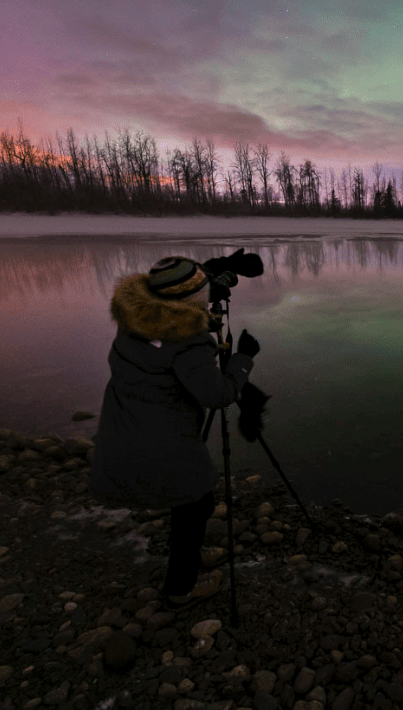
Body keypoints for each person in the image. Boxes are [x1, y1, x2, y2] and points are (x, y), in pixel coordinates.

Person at [89, 256, 261, 610]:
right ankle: (181, 587)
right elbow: (218, 395)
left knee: (195, 501)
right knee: (195, 505)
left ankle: (191, 556)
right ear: (187, 301)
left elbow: (164, 346)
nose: (207, 295)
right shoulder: (189, 343)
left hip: (126, 422)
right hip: (162, 434)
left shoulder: (138, 316)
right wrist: (243, 360)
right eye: (202, 293)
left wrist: (204, 310)